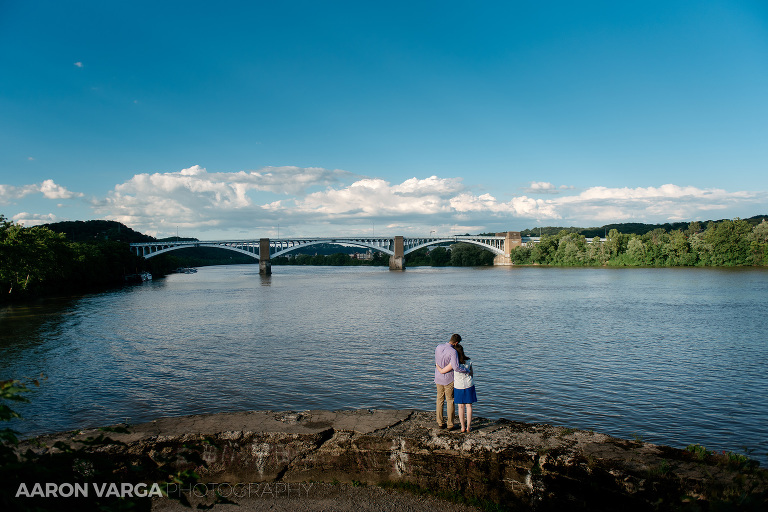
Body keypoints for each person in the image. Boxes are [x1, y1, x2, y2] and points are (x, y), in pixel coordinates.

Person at [436, 343, 477, 432]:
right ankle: (468, 427)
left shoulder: (454, 363)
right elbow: (471, 374)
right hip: (469, 384)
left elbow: (442, 371)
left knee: (460, 406)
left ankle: (462, 427)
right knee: (469, 406)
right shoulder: (469, 361)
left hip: (458, 386)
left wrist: (437, 365)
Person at [434, 333, 467, 430]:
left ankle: (440, 422)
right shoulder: (453, 352)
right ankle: (450, 424)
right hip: (449, 379)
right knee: (450, 400)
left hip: (438, 377)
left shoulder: (438, 347)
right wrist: (466, 370)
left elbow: (436, 361)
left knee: (439, 399)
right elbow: (456, 367)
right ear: (456, 343)